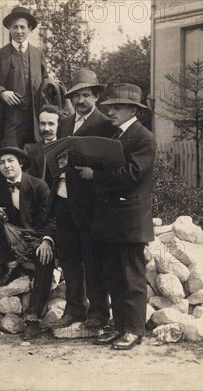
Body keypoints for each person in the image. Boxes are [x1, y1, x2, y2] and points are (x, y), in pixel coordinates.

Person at [75, 83, 156, 350]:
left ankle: (134, 330)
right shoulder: (115, 134)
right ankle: (120, 327)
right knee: (113, 276)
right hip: (110, 219)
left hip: (130, 220)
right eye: (110, 106)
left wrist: (95, 175)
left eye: (118, 107)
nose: (111, 111)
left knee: (132, 277)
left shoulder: (143, 137)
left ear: (133, 109)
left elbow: (133, 174)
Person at [47, 69, 115, 330]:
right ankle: (74, 308)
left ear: (96, 96)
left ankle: (98, 312)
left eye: (86, 95)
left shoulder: (105, 125)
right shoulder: (64, 123)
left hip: (90, 202)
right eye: (76, 96)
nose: (81, 101)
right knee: (69, 257)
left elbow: (109, 163)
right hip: (64, 199)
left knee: (93, 257)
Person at [0, 147, 56, 328]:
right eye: (2, 162)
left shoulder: (39, 185)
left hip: (37, 238)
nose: (6, 165)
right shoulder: (0, 185)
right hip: (12, 239)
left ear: (20, 163)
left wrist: (46, 240)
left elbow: (53, 219)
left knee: (45, 258)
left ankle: (34, 314)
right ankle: (10, 264)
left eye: (10, 160)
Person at [0, 6, 48, 156]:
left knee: (34, 159)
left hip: (34, 120)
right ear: (9, 29)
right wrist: (2, 92)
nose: (19, 31)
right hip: (9, 120)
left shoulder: (38, 54)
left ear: (30, 28)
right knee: (11, 156)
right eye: (15, 27)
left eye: (22, 27)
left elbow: (46, 83)